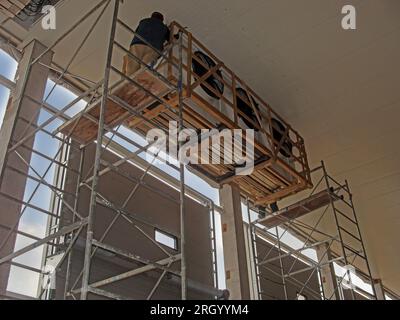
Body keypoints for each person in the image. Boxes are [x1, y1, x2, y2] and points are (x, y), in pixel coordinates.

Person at [123, 12, 170, 76]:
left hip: (138, 44)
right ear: (162, 20)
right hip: (153, 48)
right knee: (145, 68)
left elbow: (136, 32)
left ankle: (129, 82)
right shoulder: (164, 28)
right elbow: (170, 39)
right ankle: (142, 81)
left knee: (131, 71)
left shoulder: (143, 22)